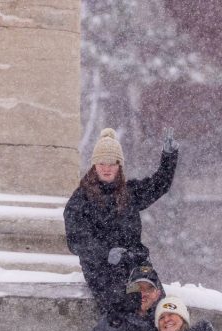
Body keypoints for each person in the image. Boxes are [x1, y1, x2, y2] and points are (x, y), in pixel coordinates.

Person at [64, 126, 179, 319]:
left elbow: (159, 185)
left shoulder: (129, 193)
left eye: (112, 163)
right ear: (94, 165)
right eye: (102, 163)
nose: (107, 168)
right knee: (124, 312)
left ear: (120, 166)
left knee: (158, 309)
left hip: (135, 262)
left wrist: (169, 156)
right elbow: (76, 240)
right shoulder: (80, 200)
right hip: (101, 269)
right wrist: (105, 253)